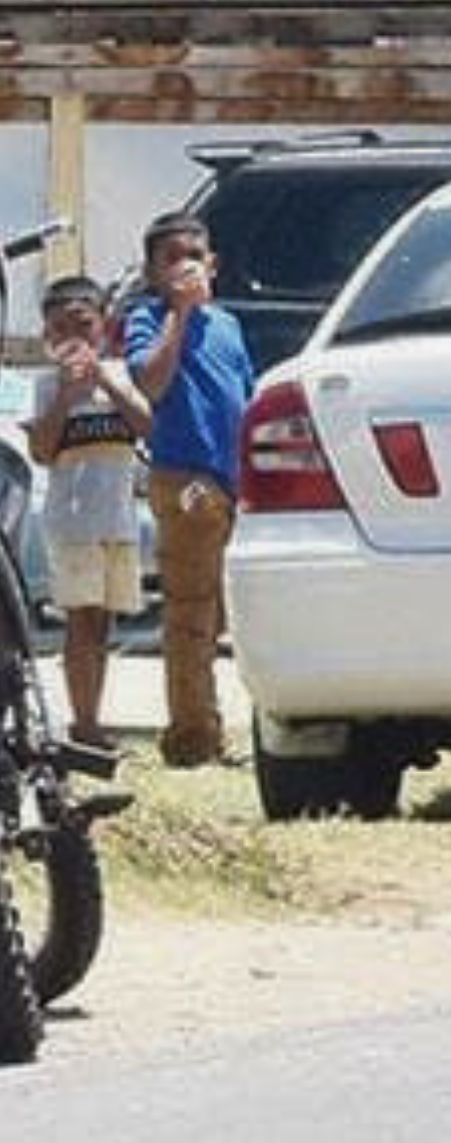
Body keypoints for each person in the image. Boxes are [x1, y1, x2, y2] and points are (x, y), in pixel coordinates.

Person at [124, 212, 255, 769]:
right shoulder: (146, 319)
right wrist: (178, 314)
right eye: (170, 259)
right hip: (185, 478)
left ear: (214, 265)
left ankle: (211, 720)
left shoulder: (227, 325)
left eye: (193, 257)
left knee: (225, 611)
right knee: (190, 609)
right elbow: (149, 382)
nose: (184, 267)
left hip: (232, 479)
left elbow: (245, 395)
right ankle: (192, 737)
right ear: (152, 273)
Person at [25, 274, 151, 752]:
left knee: (103, 621)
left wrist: (105, 383)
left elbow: (142, 425)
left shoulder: (120, 375)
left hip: (116, 520)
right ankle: (84, 721)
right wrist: (65, 396)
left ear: (103, 328)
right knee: (81, 618)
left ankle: (93, 713)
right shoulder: (46, 386)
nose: (73, 338)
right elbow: (41, 449)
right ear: (48, 338)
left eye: (83, 326)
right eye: (61, 330)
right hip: (74, 523)